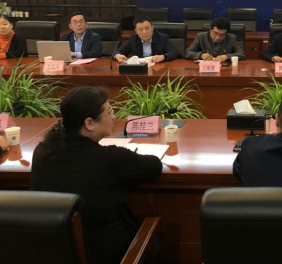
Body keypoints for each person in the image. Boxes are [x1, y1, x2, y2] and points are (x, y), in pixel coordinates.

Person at [30, 86, 162, 264]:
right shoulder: (110, 158)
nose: (114, 116)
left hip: (51, 254)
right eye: (110, 111)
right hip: (108, 255)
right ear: (90, 123)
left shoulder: (42, 152)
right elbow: (154, 166)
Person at [113, 15, 178, 63]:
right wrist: (117, 55)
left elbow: (173, 52)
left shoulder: (162, 38)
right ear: (136, 31)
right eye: (140, 30)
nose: (144, 32)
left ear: (152, 28)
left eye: (147, 28)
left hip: (158, 68)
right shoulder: (133, 39)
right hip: (140, 69)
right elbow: (117, 52)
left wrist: (163, 57)